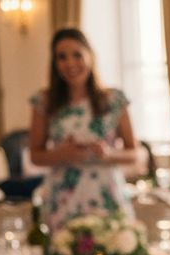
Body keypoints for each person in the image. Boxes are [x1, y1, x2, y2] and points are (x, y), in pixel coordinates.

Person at [30, 28, 137, 232]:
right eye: (62, 57)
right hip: (64, 196)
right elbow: (35, 156)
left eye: (77, 55)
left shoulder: (113, 100)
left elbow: (136, 154)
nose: (70, 63)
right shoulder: (45, 102)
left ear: (90, 56)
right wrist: (61, 154)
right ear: (55, 63)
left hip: (106, 193)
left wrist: (108, 153)